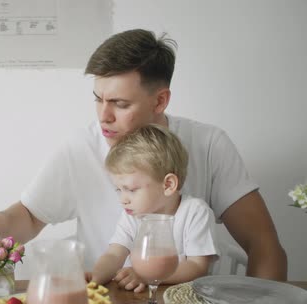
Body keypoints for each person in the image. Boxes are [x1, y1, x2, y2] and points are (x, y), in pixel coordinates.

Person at [0, 29, 287, 281]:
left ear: (160, 100)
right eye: (98, 99)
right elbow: (26, 218)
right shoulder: (81, 147)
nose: (103, 116)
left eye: (120, 103)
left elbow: (264, 245)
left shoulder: (209, 144)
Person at [90, 124, 218, 292]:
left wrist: (145, 276)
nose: (123, 200)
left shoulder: (195, 212)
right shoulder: (133, 216)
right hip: (143, 302)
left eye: (131, 190)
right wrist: (94, 278)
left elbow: (197, 267)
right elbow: (114, 254)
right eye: (119, 190)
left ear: (168, 184)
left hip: (187, 302)